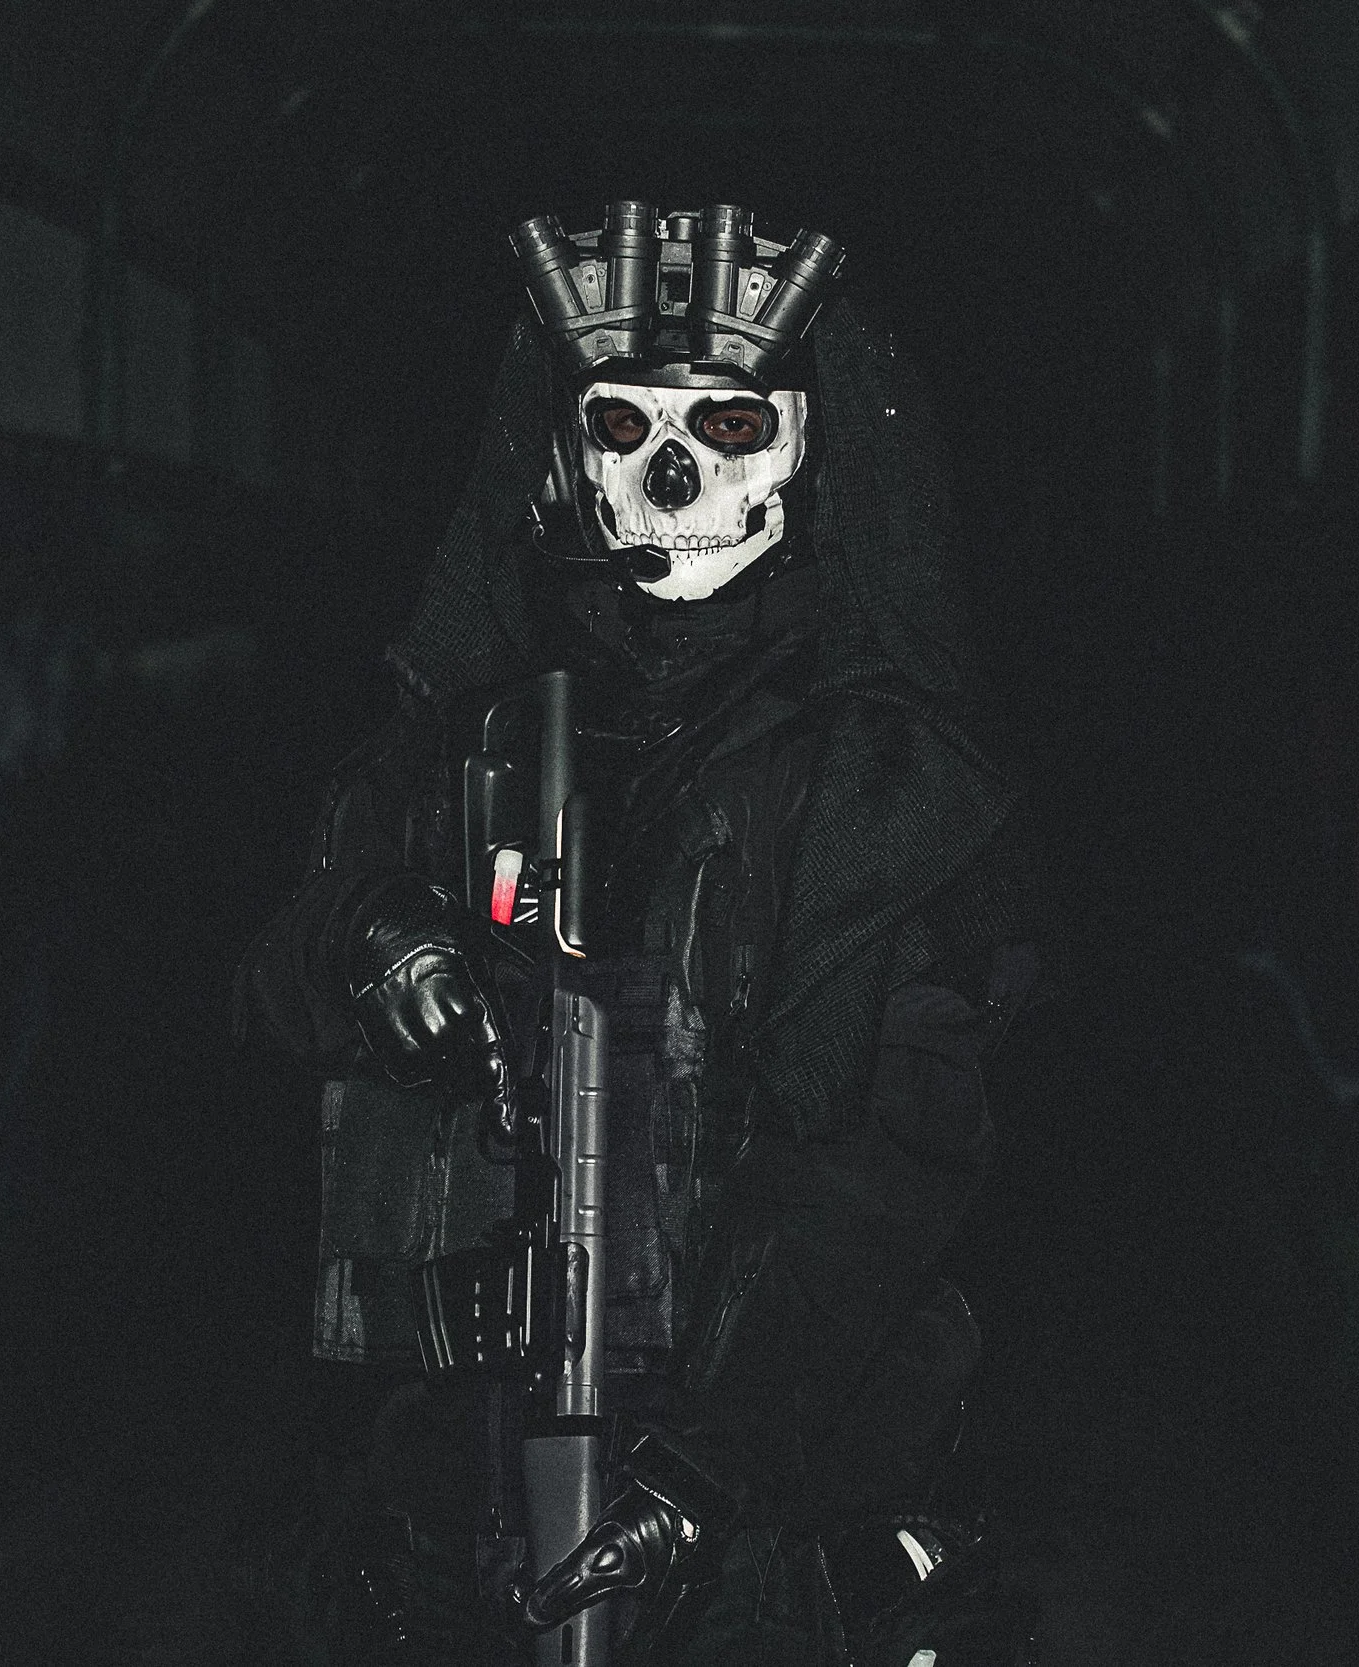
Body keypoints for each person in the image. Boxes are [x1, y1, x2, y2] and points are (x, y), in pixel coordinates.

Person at [235, 201, 1035, 1666]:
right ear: (560, 453)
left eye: (730, 422)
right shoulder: (476, 727)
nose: (672, 473)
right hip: (469, 1503)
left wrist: (703, 1472)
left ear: (812, 449)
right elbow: (278, 980)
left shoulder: (879, 784)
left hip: (774, 1508)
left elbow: (897, 1163)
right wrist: (377, 934)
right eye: (624, 421)